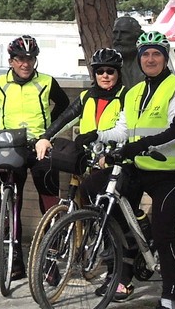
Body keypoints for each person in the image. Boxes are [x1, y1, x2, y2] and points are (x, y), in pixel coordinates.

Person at [120, 30, 175, 309]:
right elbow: (123, 129)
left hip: (172, 171)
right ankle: (140, 247)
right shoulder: (135, 92)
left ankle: (169, 304)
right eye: (145, 54)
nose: (150, 59)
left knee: (164, 235)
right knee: (110, 198)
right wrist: (97, 137)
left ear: (165, 58)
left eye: (156, 54)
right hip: (143, 168)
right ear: (139, 59)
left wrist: (143, 144)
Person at [0, 34, 71, 256]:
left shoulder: (46, 81)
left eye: (30, 59)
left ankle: (50, 249)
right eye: (20, 59)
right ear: (11, 61)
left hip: (40, 146)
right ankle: (15, 255)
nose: (25, 64)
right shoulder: (0, 83)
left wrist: (49, 132)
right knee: (13, 200)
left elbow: (64, 104)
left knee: (48, 197)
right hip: (10, 147)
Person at [36, 46, 126, 201]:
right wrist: (45, 137)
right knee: (78, 202)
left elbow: (129, 131)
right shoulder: (86, 97)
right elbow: (65, 118)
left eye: (110, 71)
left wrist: (113, 155)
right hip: (86, 159)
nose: (105, 75)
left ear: (118, 73)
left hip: (111, 163)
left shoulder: (126, 96)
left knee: (105, 211)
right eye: (100, 71)